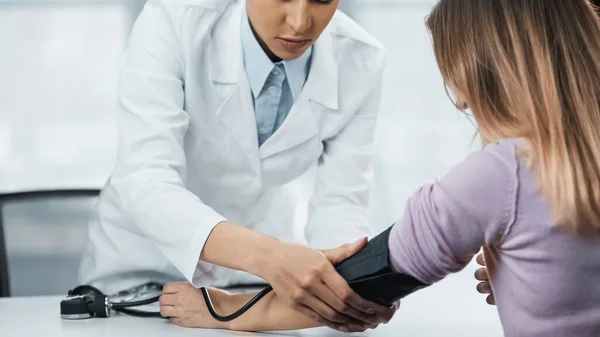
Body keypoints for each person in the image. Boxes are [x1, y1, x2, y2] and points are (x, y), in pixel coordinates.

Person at [157, 0, 600, 335]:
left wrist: (222, 310)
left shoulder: (499, 176)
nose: (461, 100)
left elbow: (365, 281)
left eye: (452, 74)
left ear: (480, 72)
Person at [78, 0, 398, 331]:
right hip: (139, 269)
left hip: (254, 285)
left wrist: (351, 283)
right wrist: (270, 257)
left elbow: (341, 203)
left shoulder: (361, 60)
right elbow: (146, 176)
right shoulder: (173, 20)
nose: (301, 22)